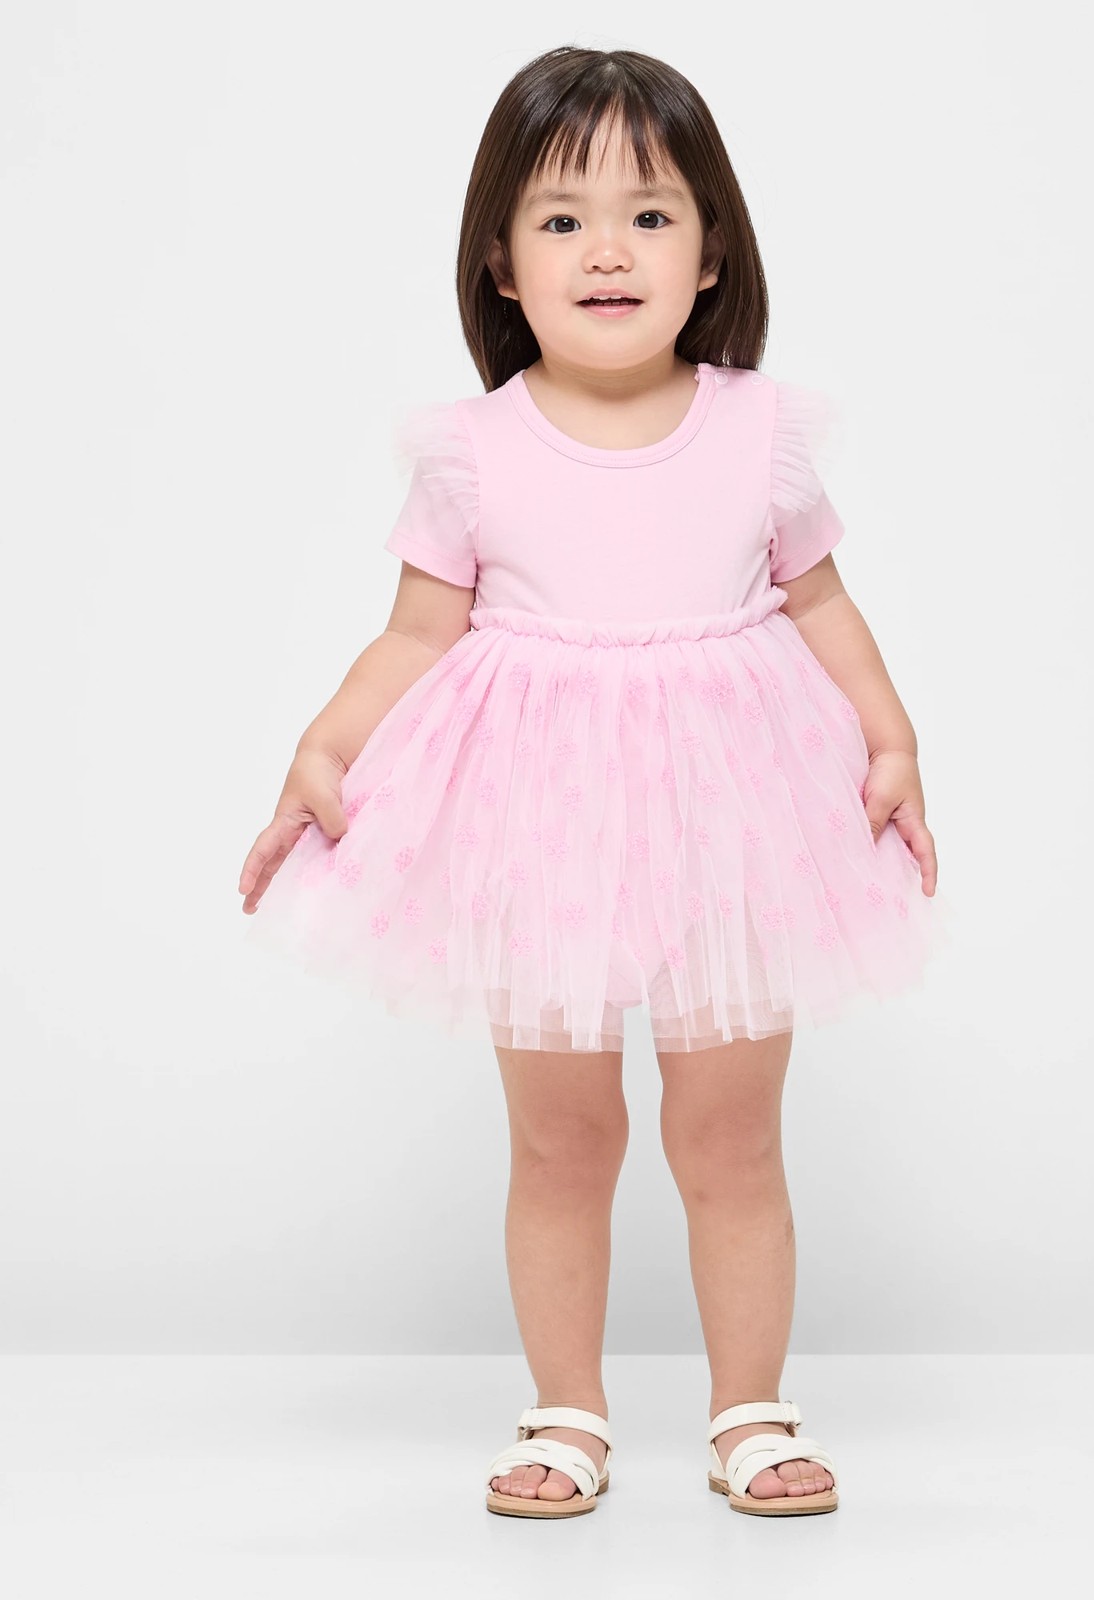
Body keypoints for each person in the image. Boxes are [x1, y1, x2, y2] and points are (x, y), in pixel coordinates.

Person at [239, 44, 949, 1520]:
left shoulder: (758, 430)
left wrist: (890, 738)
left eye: (649, 214)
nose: (607, 250)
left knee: (729, 1134)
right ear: (502, 265)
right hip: (542, 823)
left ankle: (750, 1409)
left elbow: (821, 601)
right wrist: (324, 749)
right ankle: (566, 1409)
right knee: (564, 1138)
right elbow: (415, 635)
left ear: (711, 253)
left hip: (735, 819)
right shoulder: (473, 451)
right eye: (561, 220)